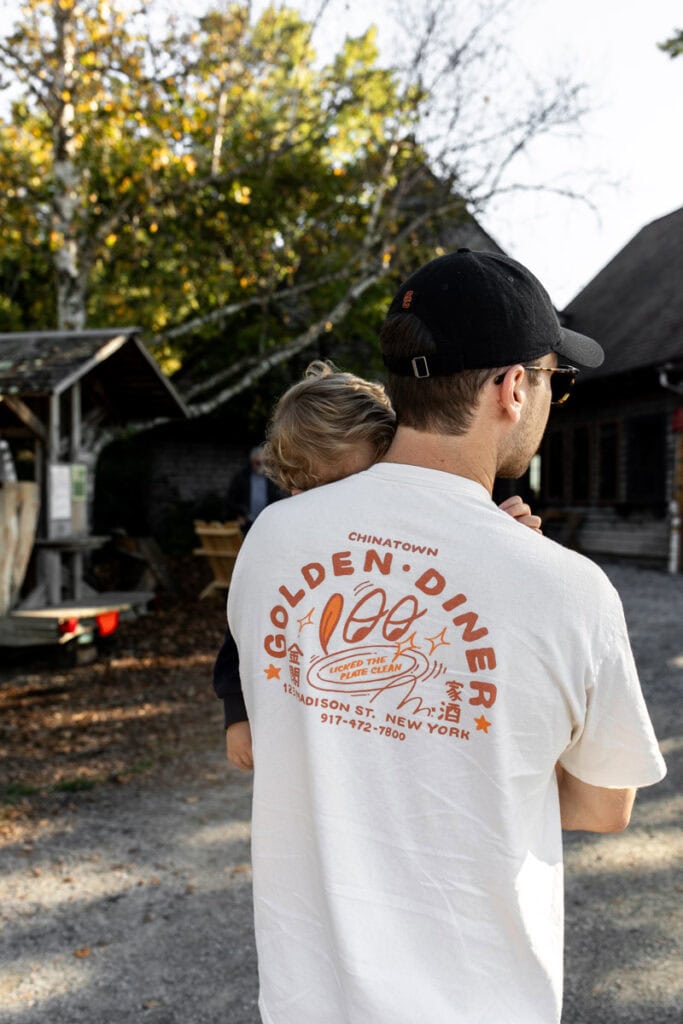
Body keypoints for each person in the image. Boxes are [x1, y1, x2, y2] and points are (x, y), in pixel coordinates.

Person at [226, 250, 666, 1024]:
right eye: (553, 383)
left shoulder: (271, 540)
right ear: (510, 387)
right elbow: (603, 807)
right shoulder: (568, 590)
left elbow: (280, 731)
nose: (550, 402)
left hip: (305, 1000)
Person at [214, 361, 542, 771]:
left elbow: (458, 559)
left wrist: (506, 539)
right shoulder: (285, 541)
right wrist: (236, 713)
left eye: (366, 483)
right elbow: (241, 630)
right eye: (331, 491)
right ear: (297, 488)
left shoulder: (418, 522)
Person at [225, 444, 282, 530]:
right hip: (246, 522)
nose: (261, 466)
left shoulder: (271, 478)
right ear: (252, 462)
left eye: (264, 463)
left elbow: (277, 498)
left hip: (266, 522)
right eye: (258, 463)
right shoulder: (242, 477)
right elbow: (231, 500)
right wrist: (239, 514)